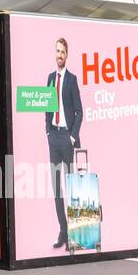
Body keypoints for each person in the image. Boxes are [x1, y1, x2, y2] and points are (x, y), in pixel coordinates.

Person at [45, 37, 83, 250]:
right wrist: (47, 131)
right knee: (56, 189)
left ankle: (72, 235)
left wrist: (72, 136)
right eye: (57, 51)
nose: (59, 55)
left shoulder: (72, 79)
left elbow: (80, 112)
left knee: (69, 188)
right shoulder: (50, 78)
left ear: (67, 55)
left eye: (62, 52)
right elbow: (47, 106)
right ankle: (63, 231)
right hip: (53, 138)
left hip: (66, 139)